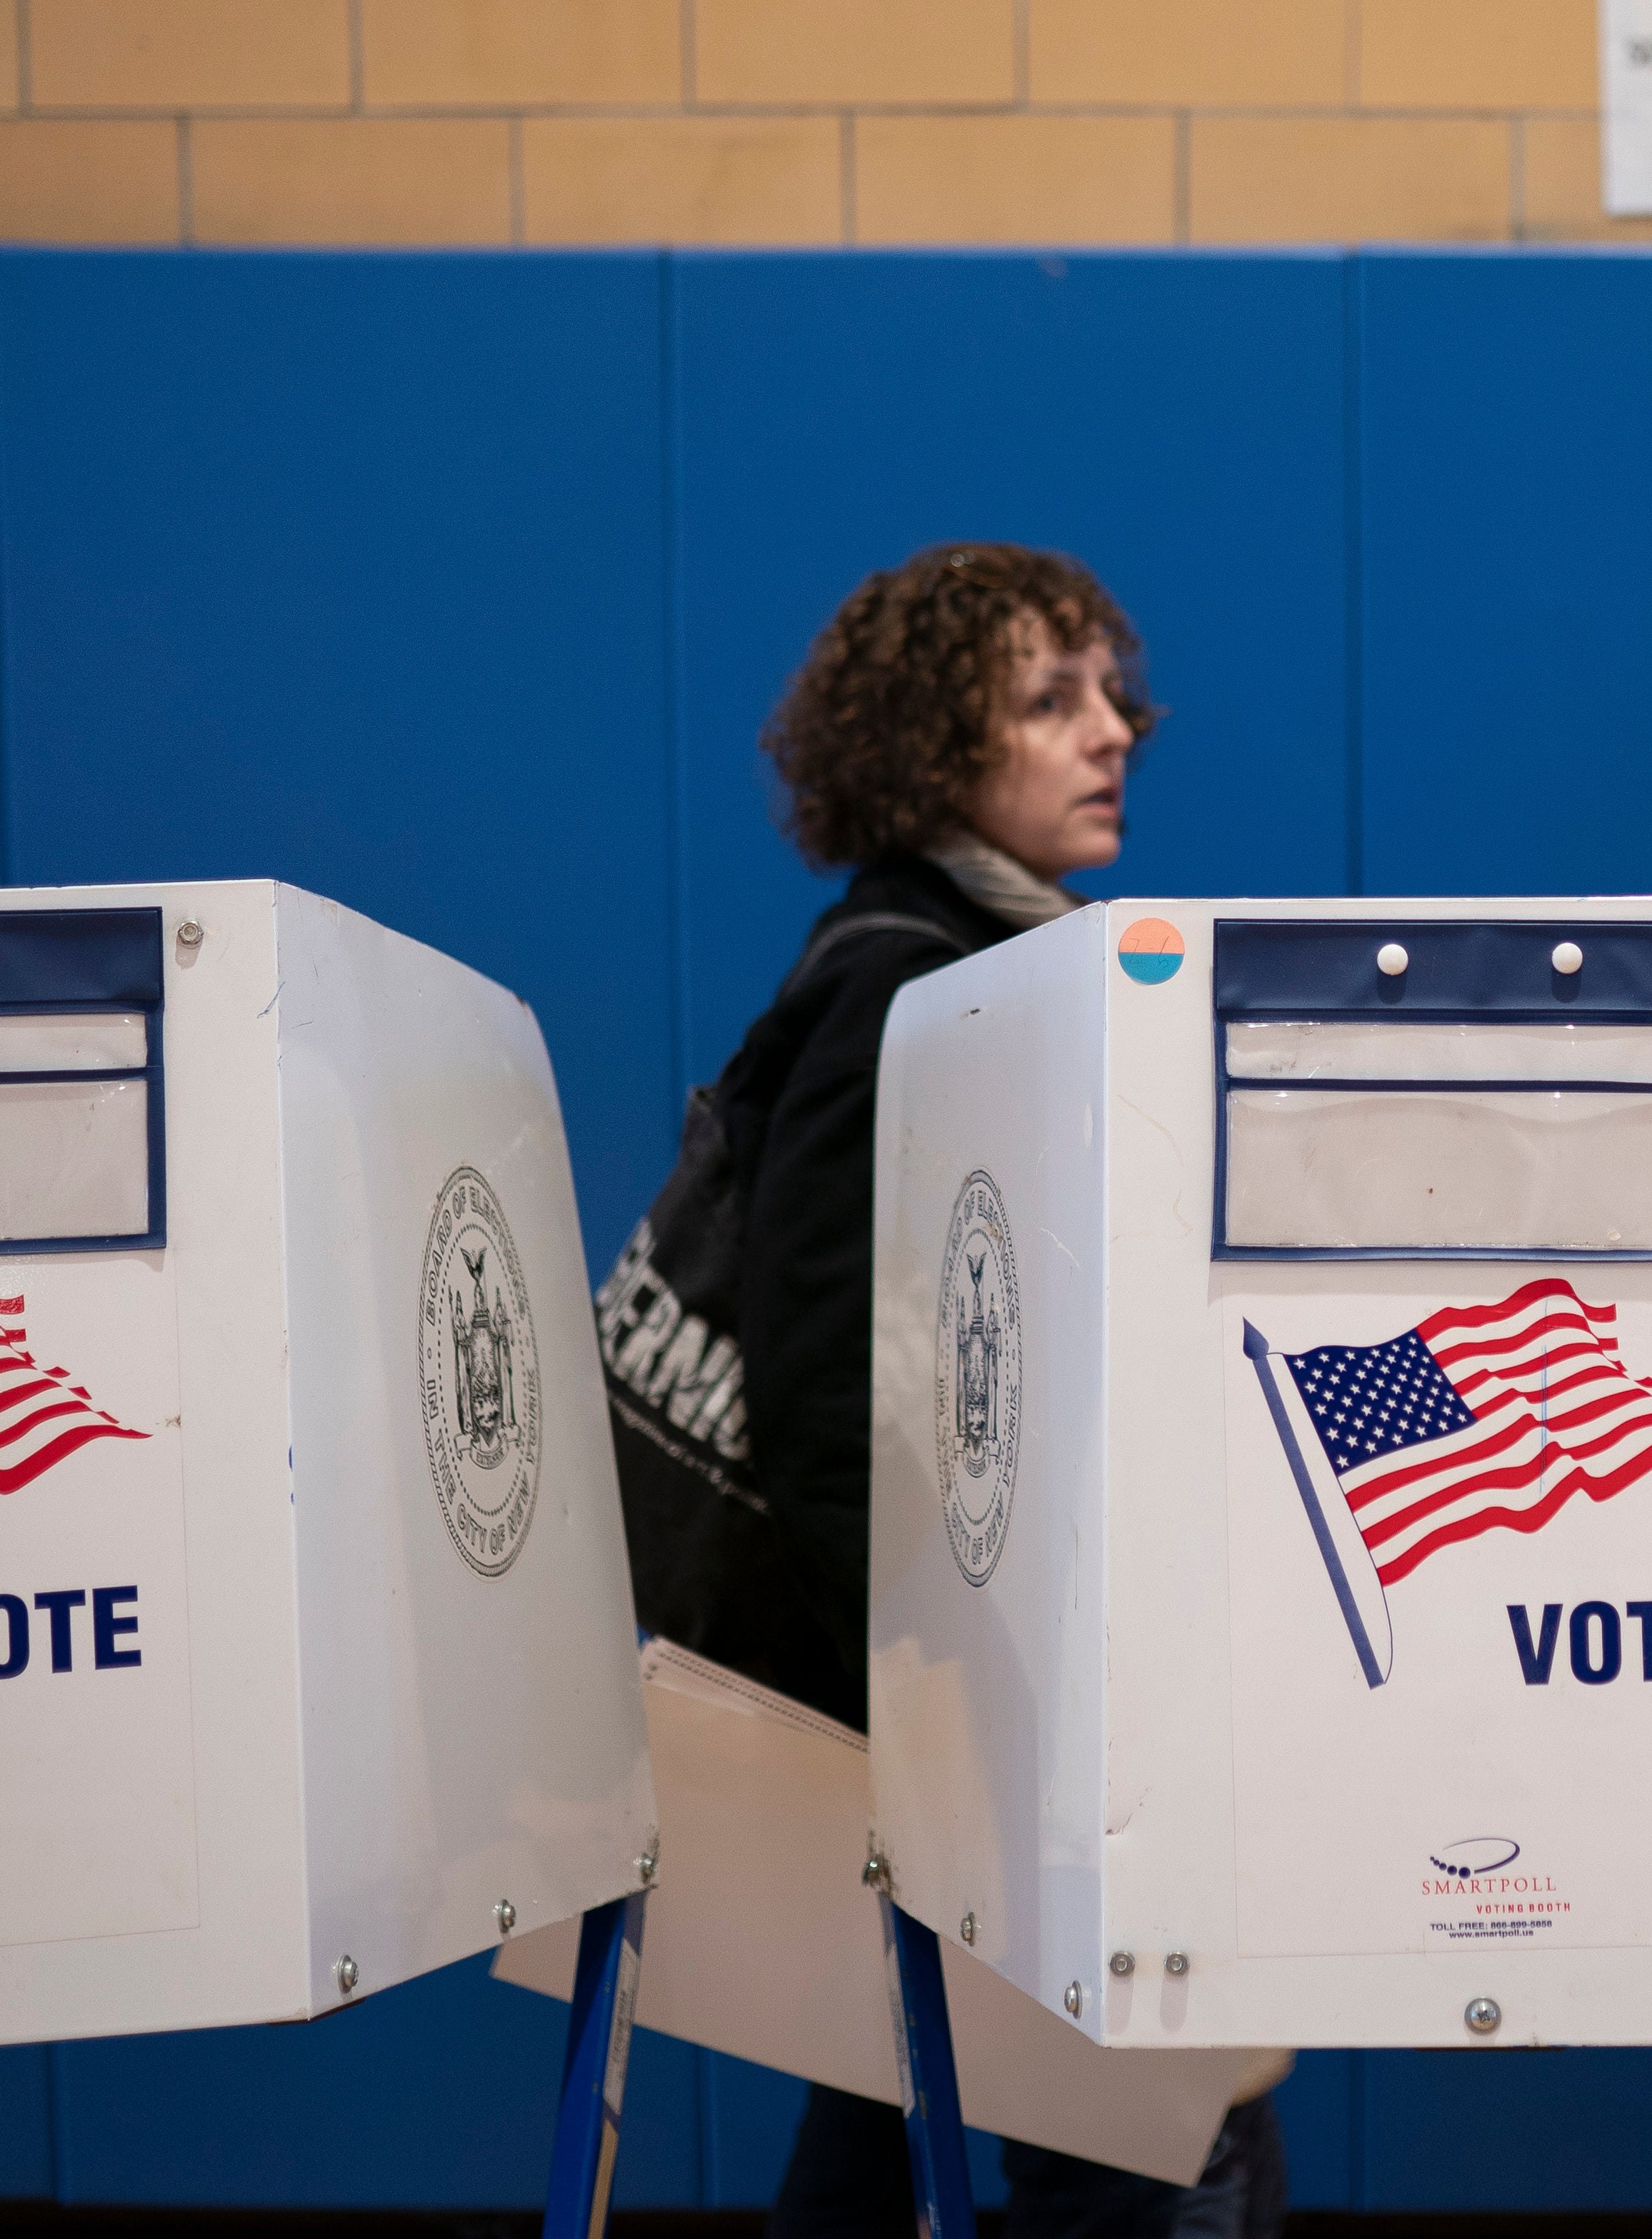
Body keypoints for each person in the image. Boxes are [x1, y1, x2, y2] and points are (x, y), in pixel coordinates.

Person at [594, 541, 1278, 2239]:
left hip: (965, 1673)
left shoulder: (1000, 958)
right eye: (1049, 700)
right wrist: (932, 1701)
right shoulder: (907, 975)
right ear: (927, 745)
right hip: (942, 1682)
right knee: (1127, 2131)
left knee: (920, 2091)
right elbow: (827, 1391)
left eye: (1114, 692)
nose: (1110, 729)